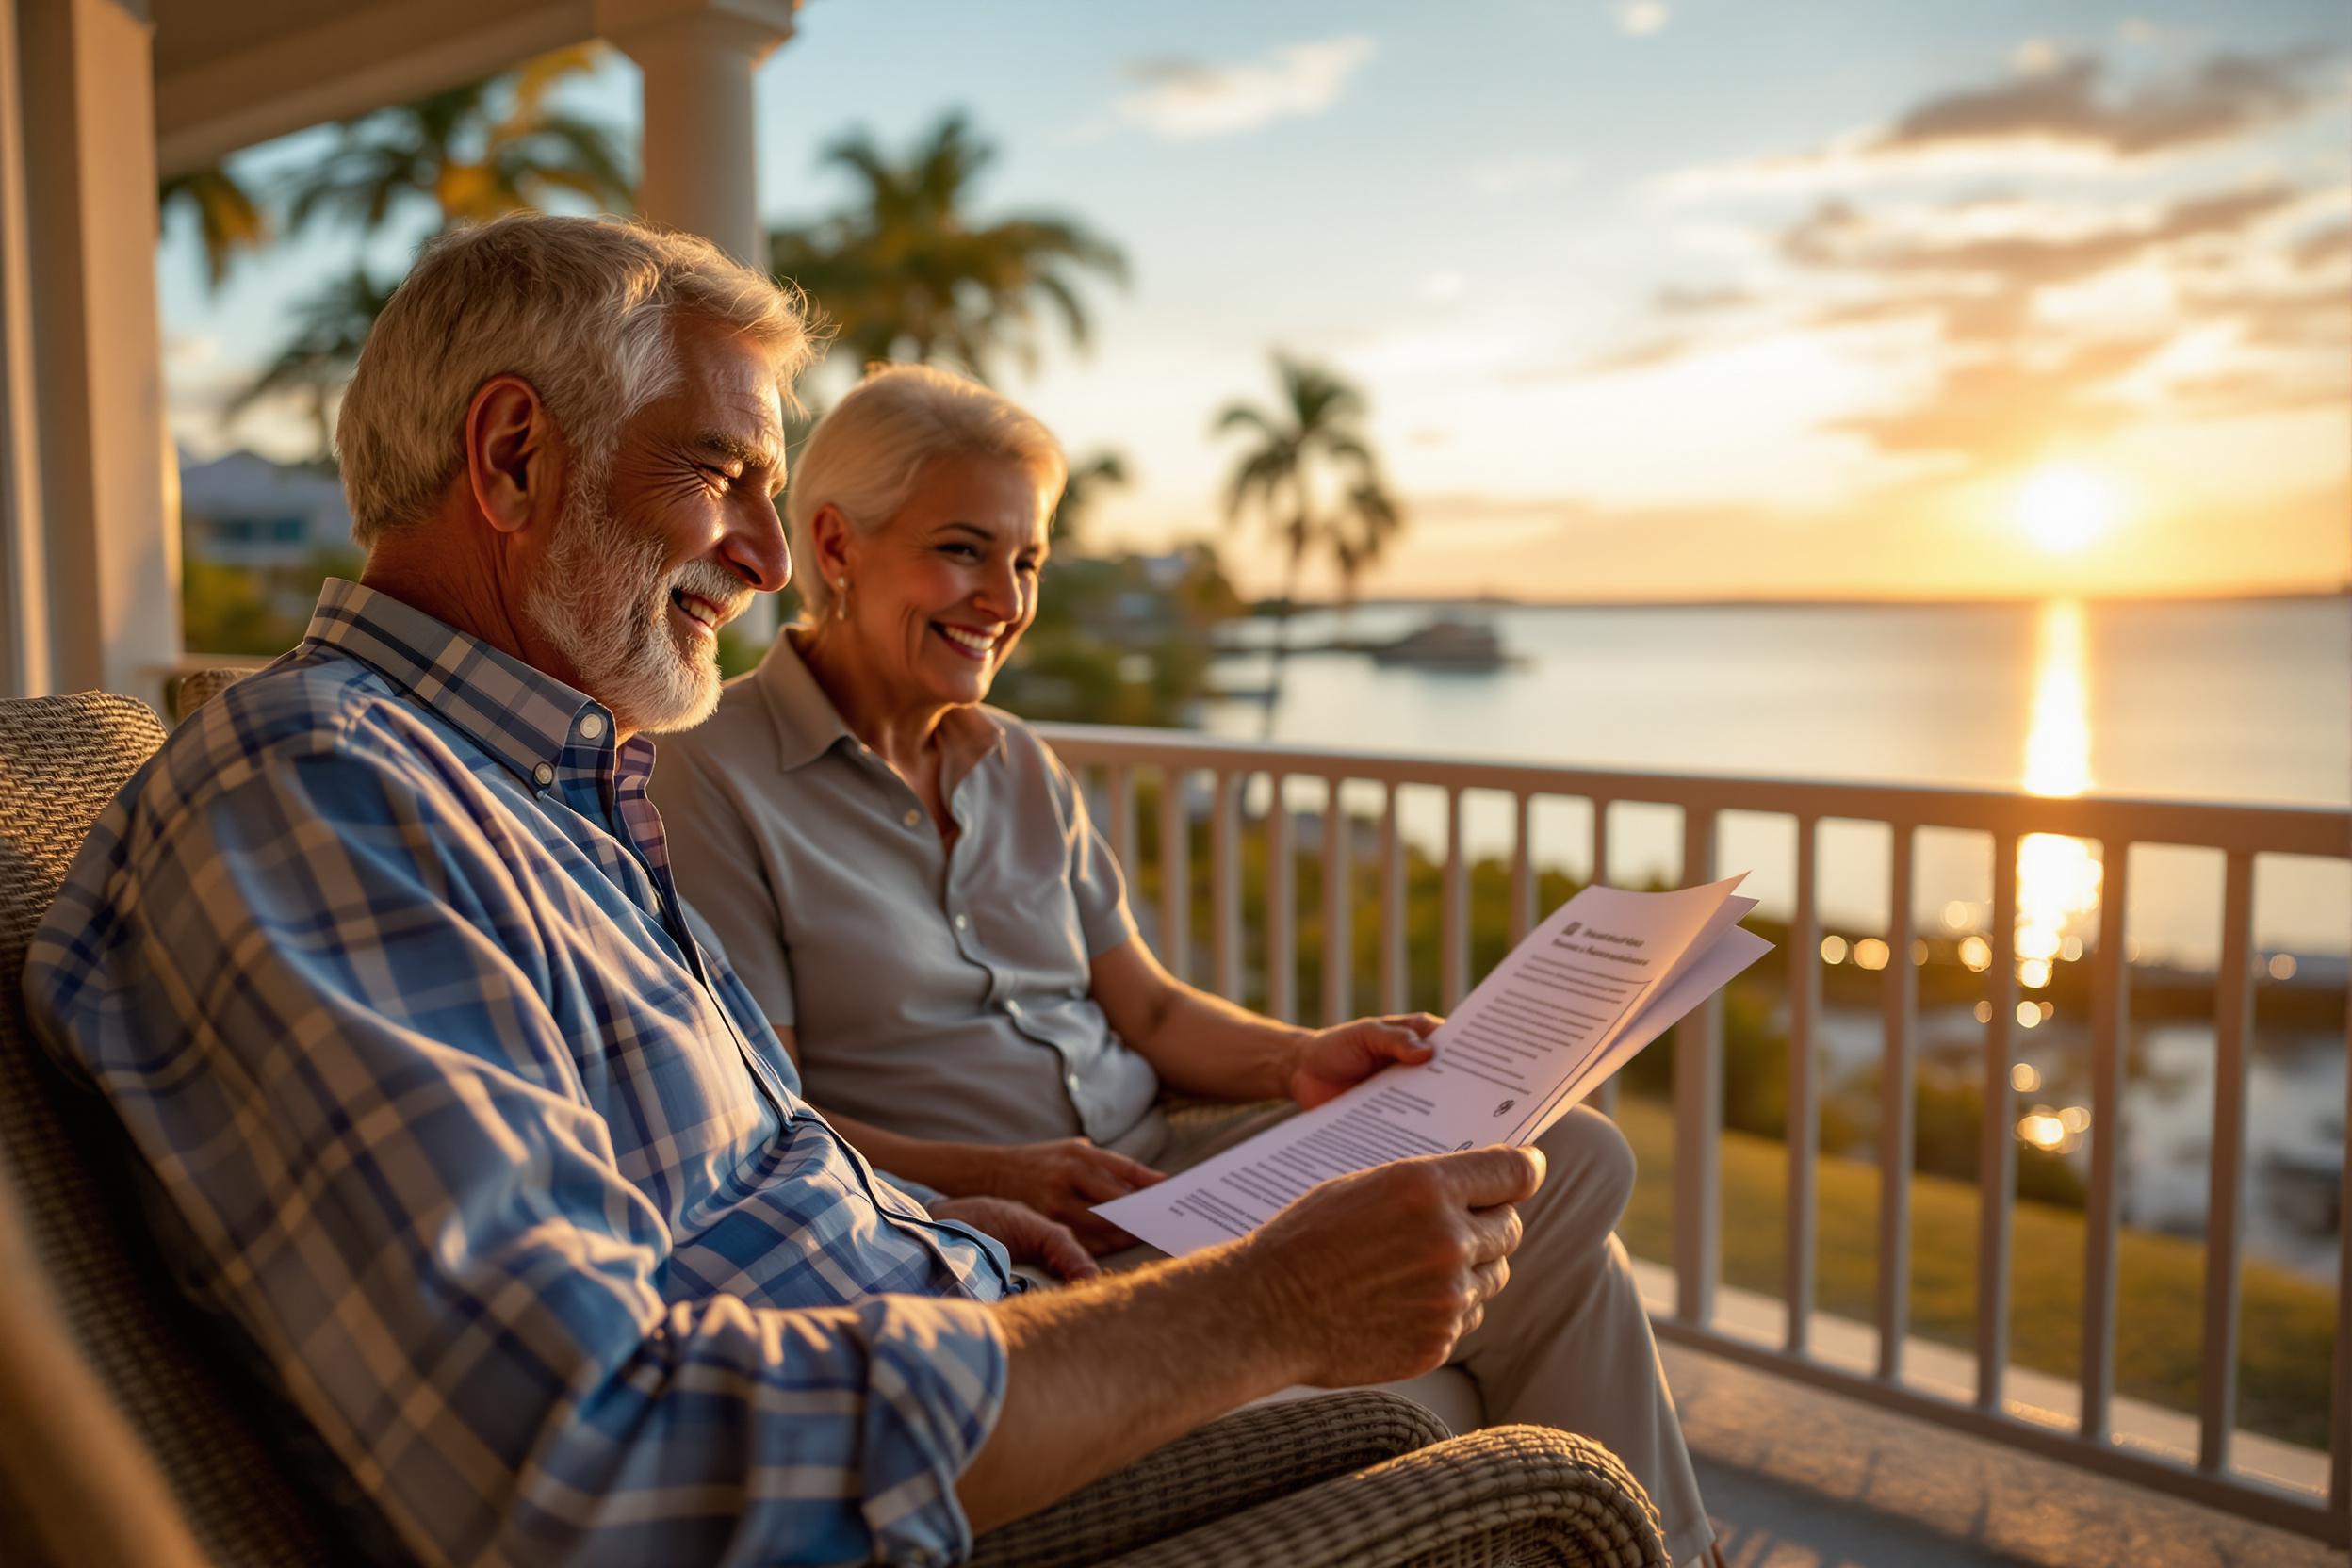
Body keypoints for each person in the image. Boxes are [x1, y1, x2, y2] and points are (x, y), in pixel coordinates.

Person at [22, 215, 1545, 1568]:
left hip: (954, 1301)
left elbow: (695, 1183)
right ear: (509, 457)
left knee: (1513, 1215)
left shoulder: (535, 790)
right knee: (1523, 1450)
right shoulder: (325, 791)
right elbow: (587, 1469)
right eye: (724, 474)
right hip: (913, 1468)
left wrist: (958, 1199)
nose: (764, 555)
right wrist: (1256, 1310)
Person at [648, 363, 1718, 1567]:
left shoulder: (1019, 767)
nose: (1003, 597)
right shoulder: (714, 774)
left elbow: (1146, 1003)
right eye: (964, 550)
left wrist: (1302, 1052)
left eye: (1029, 562)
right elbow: (762, 1115)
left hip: (1169, 1167)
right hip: (1003, 1237)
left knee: (1557, 1157)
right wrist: (990, 1170)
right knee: (1560, 1264)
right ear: (836, 543)